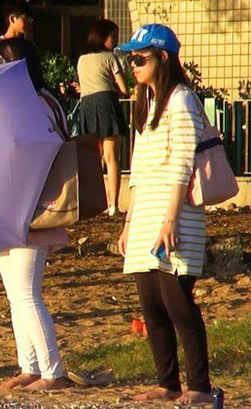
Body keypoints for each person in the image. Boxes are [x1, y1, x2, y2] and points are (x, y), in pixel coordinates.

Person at [116, 24, 213, 405]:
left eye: (140, 58)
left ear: (164, 58)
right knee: (151, 305)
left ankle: (200, 386)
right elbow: (137, 170)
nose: (133, 65)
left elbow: (183, 164)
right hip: (144, 219)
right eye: (131, 59)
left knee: (178, 304)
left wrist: (170, 219)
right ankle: (166, 383)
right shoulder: (147, 104)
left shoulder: (182, 100)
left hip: (176, 218)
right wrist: (127, 223)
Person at [0, 37, 68, 391]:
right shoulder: (35, 99)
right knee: (15, 294)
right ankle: (30, 365)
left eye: (0, 59)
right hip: (12, 208)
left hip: (31, 208)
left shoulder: (36, 102)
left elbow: (36, 151)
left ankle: (52, 371)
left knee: (25, 294)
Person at [76, 19, 128, 217]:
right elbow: (123, 88)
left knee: (95, 159)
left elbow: (84, 85)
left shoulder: (81, 59)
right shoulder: (110, 57)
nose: (115, 40)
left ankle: (96, 204)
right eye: (113, 36)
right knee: (112, 157)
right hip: (107, 104)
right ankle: (113, 205)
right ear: (102, 37)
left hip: (87, 107)